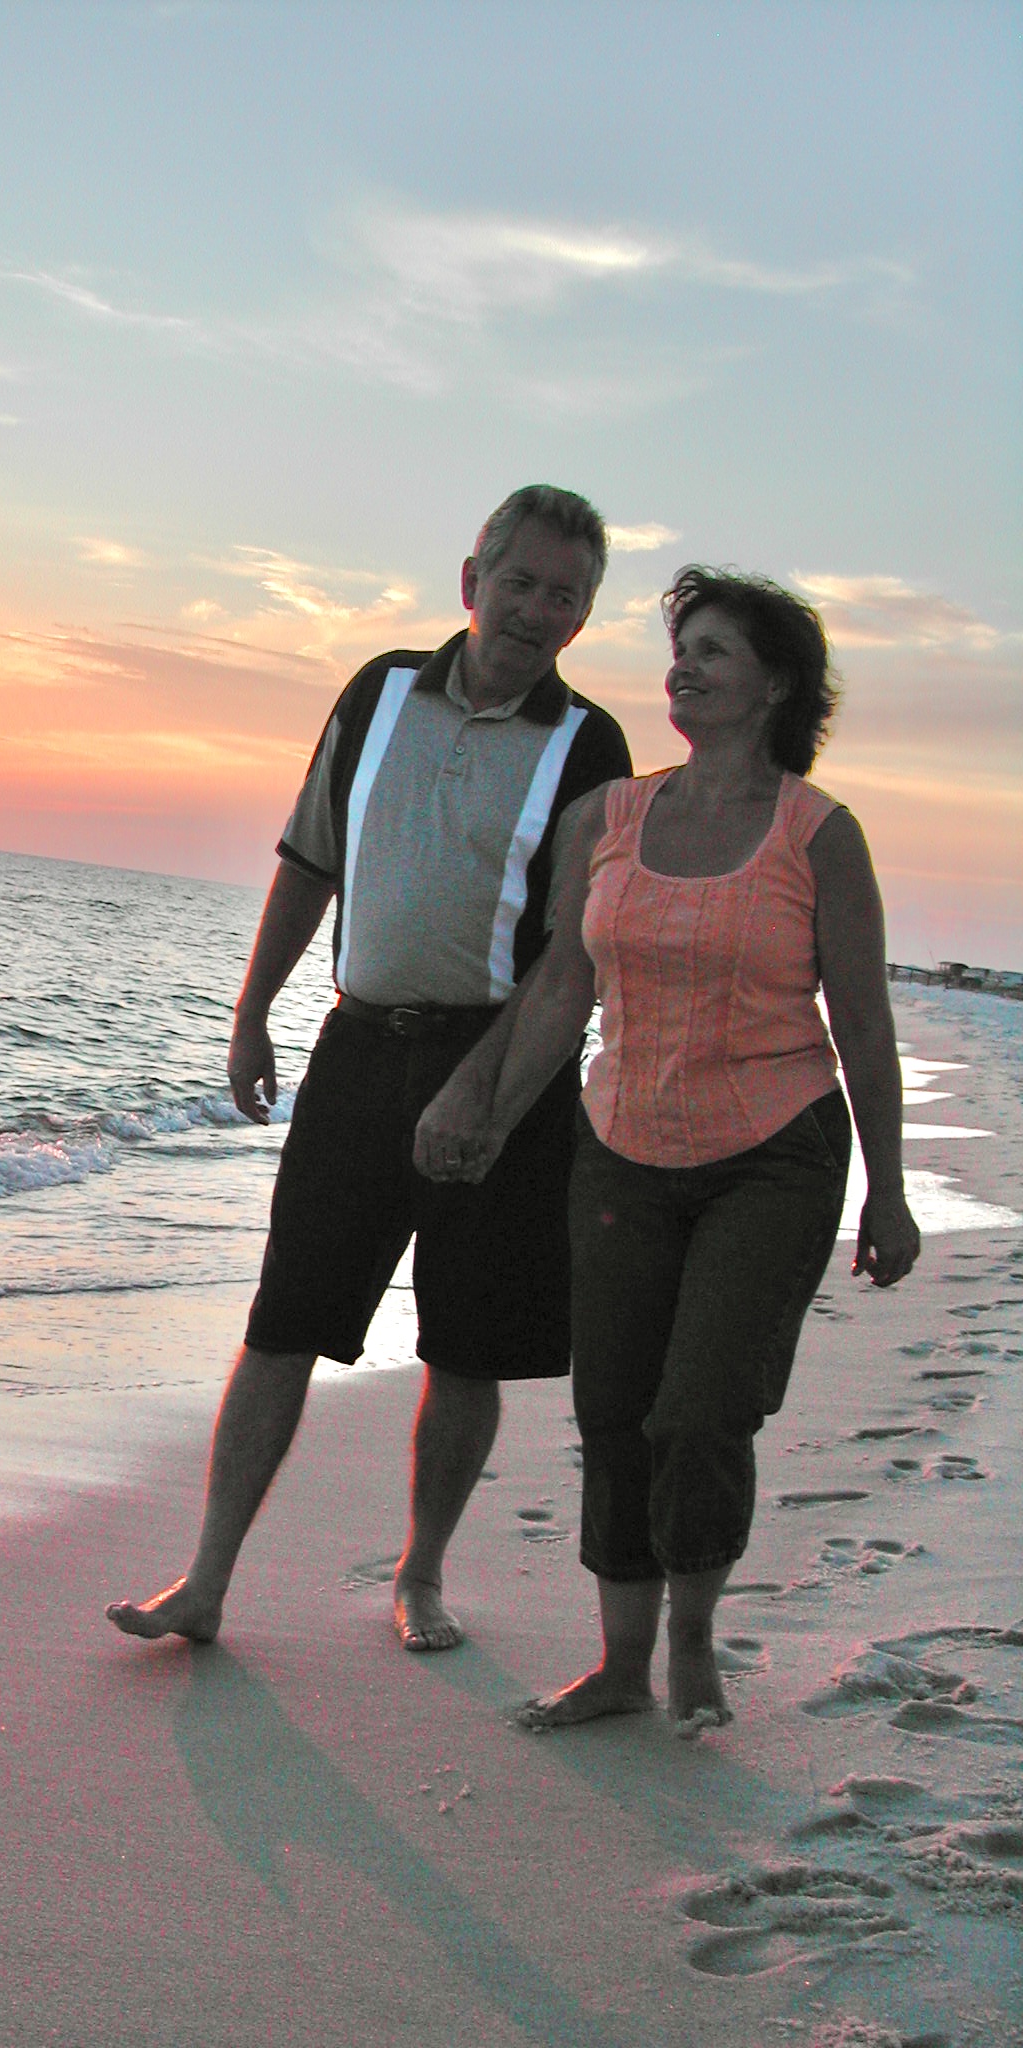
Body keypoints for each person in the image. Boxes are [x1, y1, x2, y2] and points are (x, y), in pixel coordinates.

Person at [107, 485, 632, 1652]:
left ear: (584, 615)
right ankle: (204, 1579)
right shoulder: (379, 689)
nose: (538, 610)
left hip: (505, 1070)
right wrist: (251, 1015)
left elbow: (569, 959)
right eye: (521, 582)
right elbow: (309, 860)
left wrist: (487, 1095)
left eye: (566, 595)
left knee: (468, 1343)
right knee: (284, 1317)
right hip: (359, 1050)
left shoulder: (589, 743)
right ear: (470, 579)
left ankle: (424, 1573)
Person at [415, 565, 920, 1732]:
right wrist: (488, 1113)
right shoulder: (617, 817)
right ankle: (620, 1663)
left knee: (698, 1409)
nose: (685, 664)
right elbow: (561, 989)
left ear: (775, 683)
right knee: (615, 1411)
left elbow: (863, 1018)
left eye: (716, 650)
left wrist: (887, 1190)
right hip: (622, 1146)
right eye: (681, 644)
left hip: (772, 1149)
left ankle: (694, 1642)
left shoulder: (818, 833)